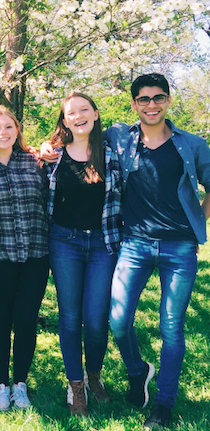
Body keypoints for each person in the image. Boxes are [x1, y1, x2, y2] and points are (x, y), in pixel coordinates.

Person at [105, 74, 210, 429]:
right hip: (134, 244)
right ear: (133, 103)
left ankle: (163, 403)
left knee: (171, 328)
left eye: (158, 97)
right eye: (144, 99)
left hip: (179, 247)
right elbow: (79, 137)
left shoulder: (192, 144)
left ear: (168, 100)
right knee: (117, 321)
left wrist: (198, 216)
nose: (152, 105)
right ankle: (138, 372)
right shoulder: (120, 137)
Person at [45, 93, 122, 416]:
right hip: (64, 242)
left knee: (95, 319)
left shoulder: (112, 152)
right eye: (71, 113)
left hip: (103, 244)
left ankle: (94, 376)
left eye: (84, 110)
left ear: (95, 113)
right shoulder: (54, 155)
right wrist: (43, 149)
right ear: (64, 121)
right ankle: (75, 384)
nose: (78, 116)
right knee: (70, 317)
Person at [0, 105, 49, 411]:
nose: (3, 133)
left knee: (27, 320)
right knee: (1, 320)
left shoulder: (36, 161)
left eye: (8, 127)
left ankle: (21, 384)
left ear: (17, 130)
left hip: (35, 255)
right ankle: (1, 384)